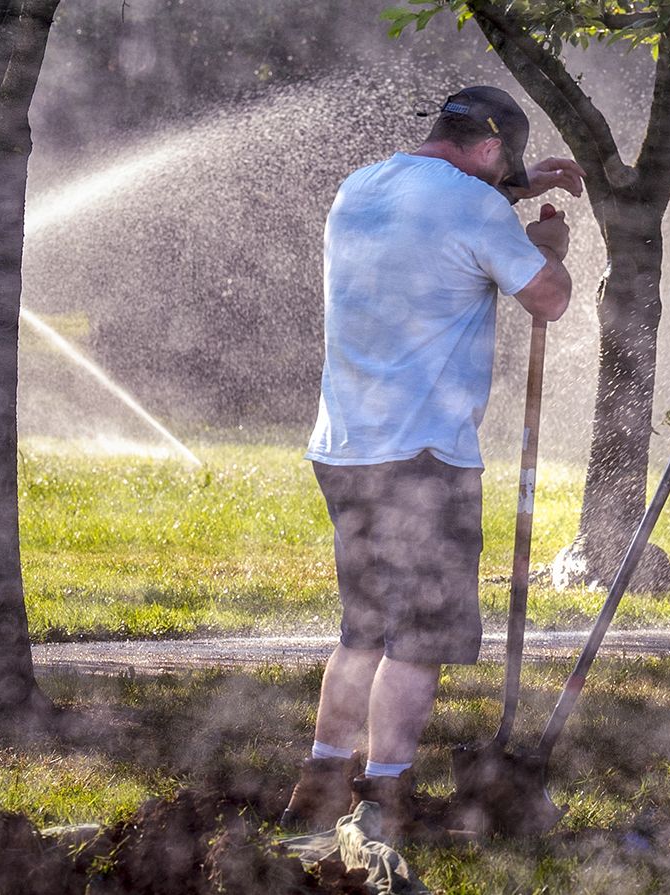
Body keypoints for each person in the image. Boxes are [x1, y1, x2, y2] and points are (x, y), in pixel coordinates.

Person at [280, 85, 582, 834]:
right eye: (501, 165)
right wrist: (548, 251)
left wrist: (517, 185)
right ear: (488, 151)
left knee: (364, 630)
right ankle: (384, 801)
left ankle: (319, 786)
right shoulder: (476, 208)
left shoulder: (362, 185)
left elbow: (443, 206)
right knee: (418, 639)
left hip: (345, 444)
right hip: (425, 454)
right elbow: (547, 300)